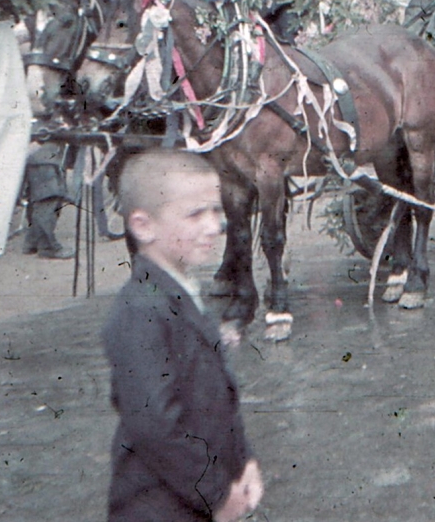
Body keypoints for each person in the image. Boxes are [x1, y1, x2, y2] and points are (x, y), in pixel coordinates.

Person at [103, 149, 263, 522]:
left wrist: (244, 463)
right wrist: (216, 496)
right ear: (143, 226)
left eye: (217, 211)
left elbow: (220, 396)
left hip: (194, 498)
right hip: (158, 507)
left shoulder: (183, 290)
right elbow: (155, 425)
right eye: (195, 214)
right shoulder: (140, 310)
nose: (214, 226)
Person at [21, 141, 74, 259]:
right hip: (43, 156)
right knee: (47, 199)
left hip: (39, 154)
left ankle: (32, 241)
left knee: (41, 201)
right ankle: (47, 247)